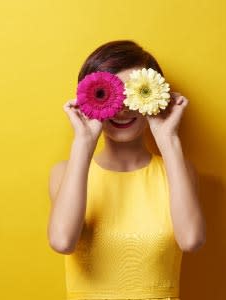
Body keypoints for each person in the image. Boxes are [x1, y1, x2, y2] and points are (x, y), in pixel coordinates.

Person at [48, 39, 206, 300]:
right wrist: (83, 141)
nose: (122, 107)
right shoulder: (64, 173)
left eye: (136, 92)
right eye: (109, 93)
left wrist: (168, 138)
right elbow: (63, 241)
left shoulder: (179, 172)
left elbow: (191, 239)